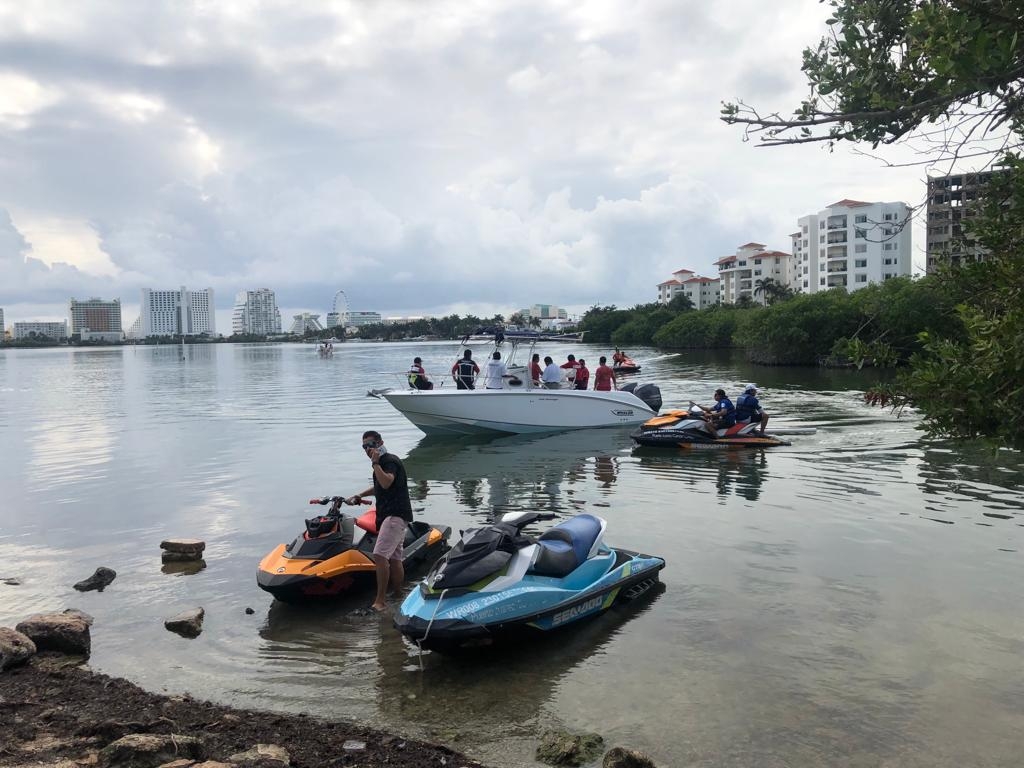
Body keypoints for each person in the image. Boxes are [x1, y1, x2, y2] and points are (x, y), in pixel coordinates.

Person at [346, 430, 412, 612]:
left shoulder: (388, 461)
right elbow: (378, 487)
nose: (368, 449)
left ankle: (380, 601)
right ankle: (398, 594)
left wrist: (375, 463)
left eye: (371, 445)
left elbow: (386, 482)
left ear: (380, 443)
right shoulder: (383, 463)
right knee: (395, 557)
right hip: (396, 515)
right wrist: (359, 494)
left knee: (380, 555)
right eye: (364, 446)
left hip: (395, 514)